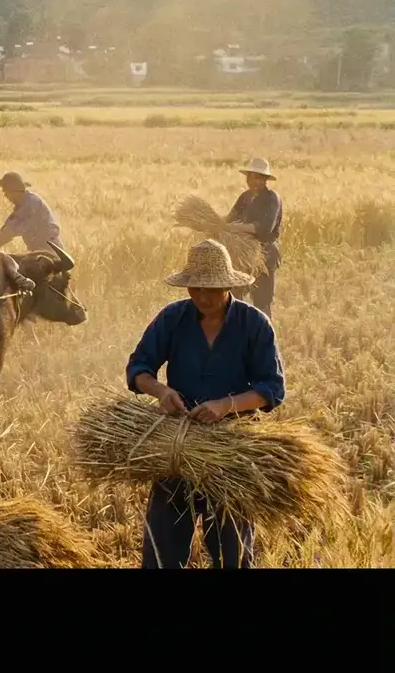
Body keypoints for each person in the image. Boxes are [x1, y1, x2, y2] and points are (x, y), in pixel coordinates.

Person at [124, 239, 286, 569]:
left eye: (211, 290)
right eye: (195, 288)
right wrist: (161, 392)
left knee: (233, 551)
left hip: (232, 447)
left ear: (228, 285)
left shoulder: (253, 324)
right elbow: (138, 368)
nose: (202, 297)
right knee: (162, 551)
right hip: (178, 444)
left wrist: (226, 405)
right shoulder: (172, 318)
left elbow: (272, 387)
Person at [223, 157, 283, 318]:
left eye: (260, 177)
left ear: (265, 180)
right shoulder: (244, 197)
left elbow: (263, 228)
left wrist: (233, 228)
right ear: (247, 177)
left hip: (264, 256)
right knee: (235, 299)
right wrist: (214, 224)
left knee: (262, 303)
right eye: (253, 176)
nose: (255, 181)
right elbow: (230, 218)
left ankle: (265, 339)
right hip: (242, 255)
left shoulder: (272, 199)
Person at [0, 171, 63, 253]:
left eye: (6, 191)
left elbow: (9, 232)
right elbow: (7, 228)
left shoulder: (30, 204)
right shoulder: (23, 205)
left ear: (13, 191)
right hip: (41, 251)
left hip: (51, 252)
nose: (5, 195)